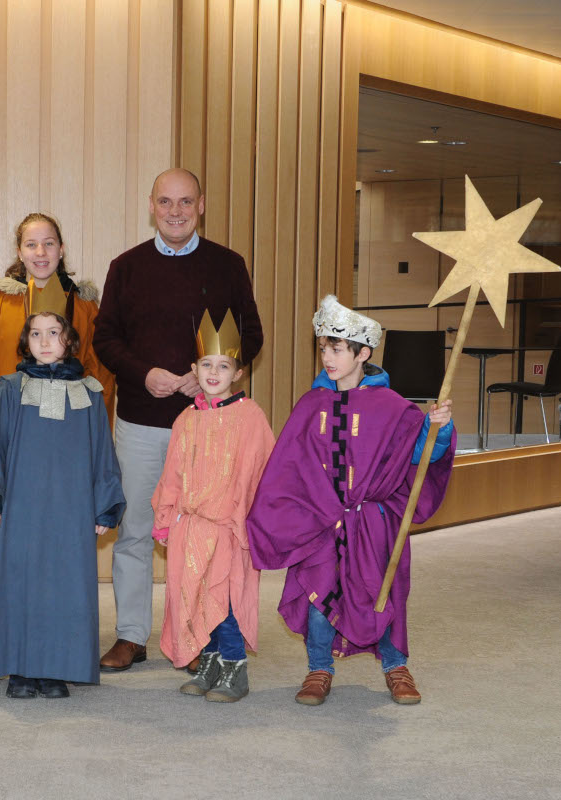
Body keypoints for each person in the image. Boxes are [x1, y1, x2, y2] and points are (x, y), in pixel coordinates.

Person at [92, 168, 263, 671]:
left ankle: (200, 635)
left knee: (205, 536)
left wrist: (207, 372)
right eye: (165, 202)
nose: (175, 211)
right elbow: (105, 339)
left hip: (212, 427)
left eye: (185, 202)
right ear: (151, 206)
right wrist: (143, 374)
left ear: (201, 205)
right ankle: (131, 635)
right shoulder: (125, 267)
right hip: (143, 421)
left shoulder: (229, 266)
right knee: (138, 531)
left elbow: (251, 335)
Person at [247, 295, 455, 706]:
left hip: (374, 520)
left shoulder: (394, 408)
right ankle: (319, 668)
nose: (327, 356)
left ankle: (396, 666)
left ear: (363, 353)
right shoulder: (311, 405)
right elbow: (290, 465)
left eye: (337, 349)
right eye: (323, 348)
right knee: (320, 592)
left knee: (383, 590)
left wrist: (439, 430)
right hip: (322, 521)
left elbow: (420, 456)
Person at [0, 300, 125, 699]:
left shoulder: (90, 394)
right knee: (19, 584)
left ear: (69, 341)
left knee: (63, 587)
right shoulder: (9, 389)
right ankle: (21, 668)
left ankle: (56, 668)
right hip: (20, 510)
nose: (44, 341)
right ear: (26, 343)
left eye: (53, 333)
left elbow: (101, 453)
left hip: (69, 514)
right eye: (35, 334)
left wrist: (106, 503)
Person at [150, 310, 275, 702]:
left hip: (227, 527)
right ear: (194, 368)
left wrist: (249, 522)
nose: (214, 372)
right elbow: (172, 472)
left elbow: (261, 472)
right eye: (207, 364)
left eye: (224, 366)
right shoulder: (185, 418)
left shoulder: (250, 417)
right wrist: (166, 516)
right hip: (191, 526)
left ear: (238, 372)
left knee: (225, 600)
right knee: (193, 596)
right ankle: (210, 662)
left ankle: (235, 668)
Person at [0, 212, 114, 459]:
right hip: (9, 432)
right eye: (31, 245)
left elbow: (100, 376)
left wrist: (96, 433)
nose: (40, 252)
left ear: (61, 249)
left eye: (49, 243)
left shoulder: (84, 308)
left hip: (70, 434)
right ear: (20, 252)